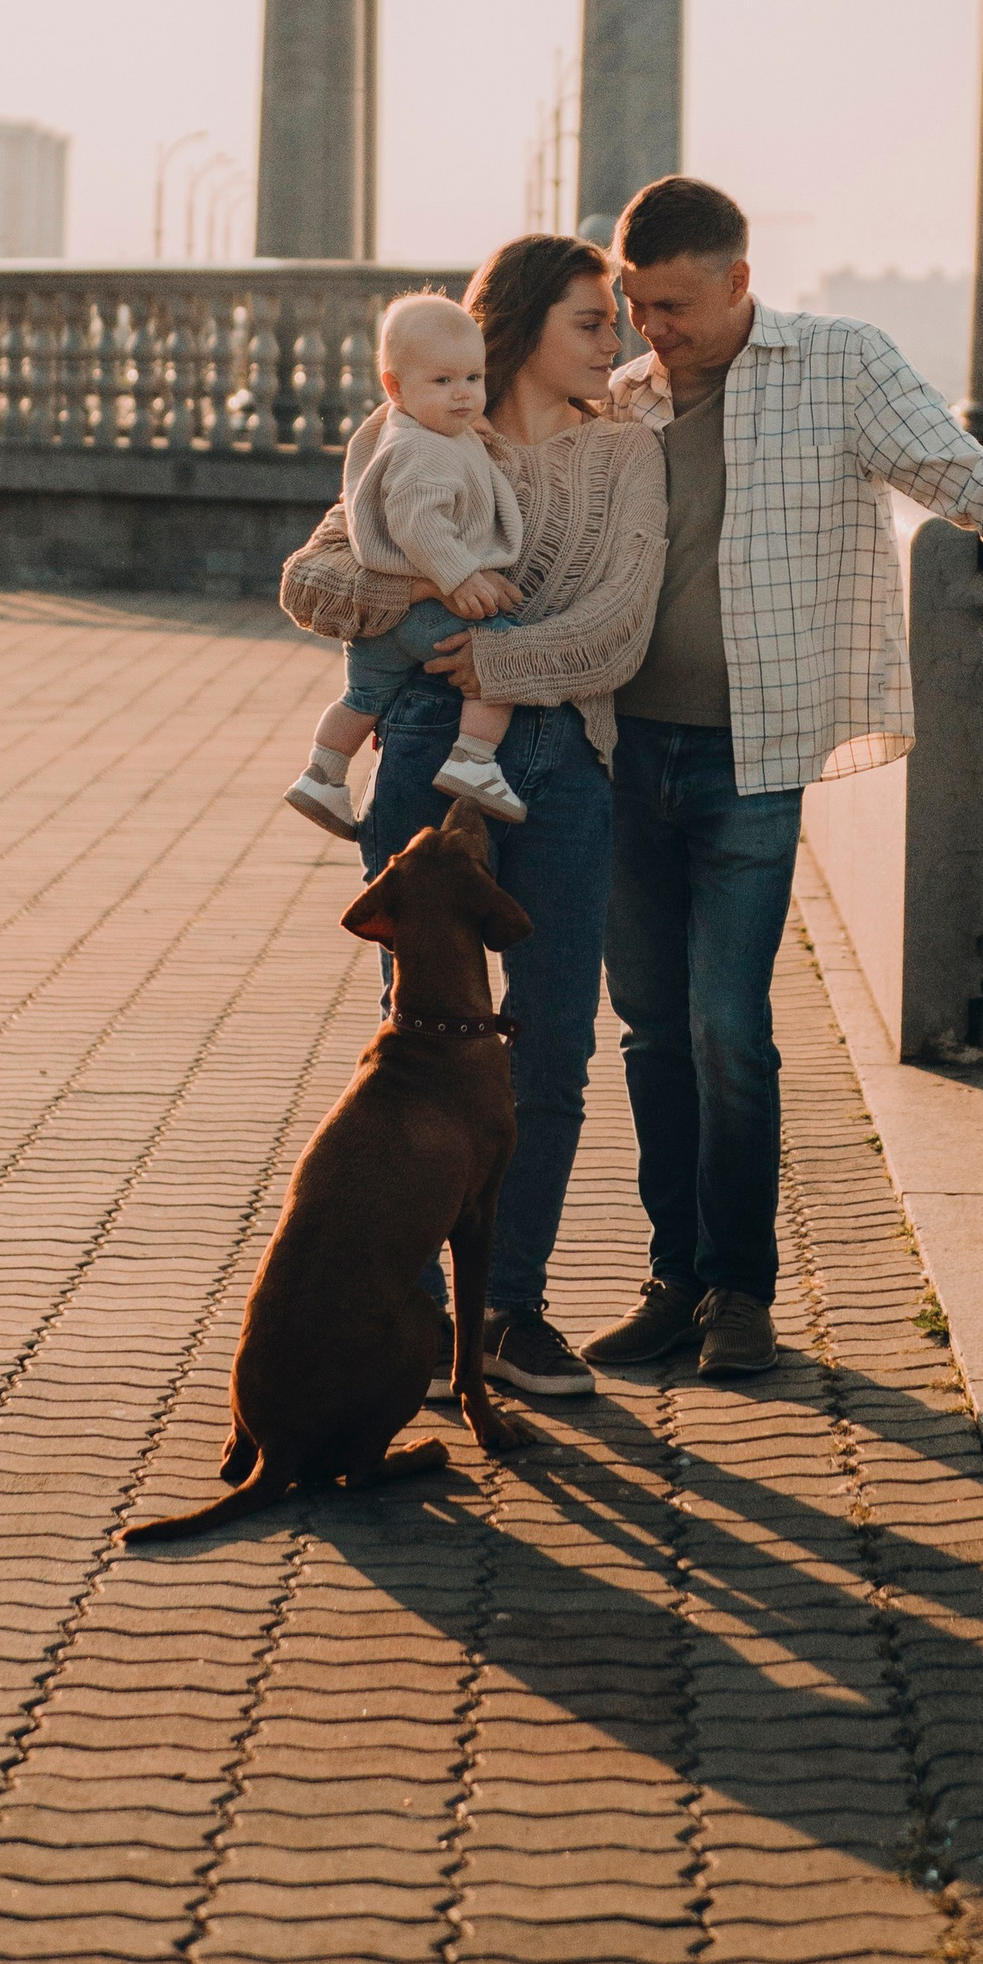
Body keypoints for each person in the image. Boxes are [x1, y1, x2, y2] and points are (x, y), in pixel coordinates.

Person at [580, 174, 983, 1383]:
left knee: (725, 1029)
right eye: (636, 304)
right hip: (619, 751)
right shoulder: (622, 398)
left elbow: (971, 481)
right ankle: (674, 1277)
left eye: (674, 305)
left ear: (739, 280)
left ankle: (742, 1293)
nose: (653, 328)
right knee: (649, 1030)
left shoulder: (839, 364)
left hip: (748, 759)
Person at [280, 236, 667, 1401]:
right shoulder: (416, 431)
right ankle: (417, 1306)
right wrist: (423, 582)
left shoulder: (624, 458)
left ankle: (511, 1310)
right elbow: (310, 582)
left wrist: (492, 648)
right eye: (593, 323)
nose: (619, 343)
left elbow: (619, 628)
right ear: (520, 329)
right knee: (422, 1046)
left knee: (553, 1043)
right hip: (426, 761)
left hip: (565, 764)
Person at [287, 293, 530, 835]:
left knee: (362, 698)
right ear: (395, 387)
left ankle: (322, 775)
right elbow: (420, 522)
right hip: (426, 613)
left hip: (380, 626)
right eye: (442, 382)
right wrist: (460, 576)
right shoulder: (426, 450)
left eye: (473, 377)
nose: (463, 394)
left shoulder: (406, 429)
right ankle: (473, 761)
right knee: (500, 661)